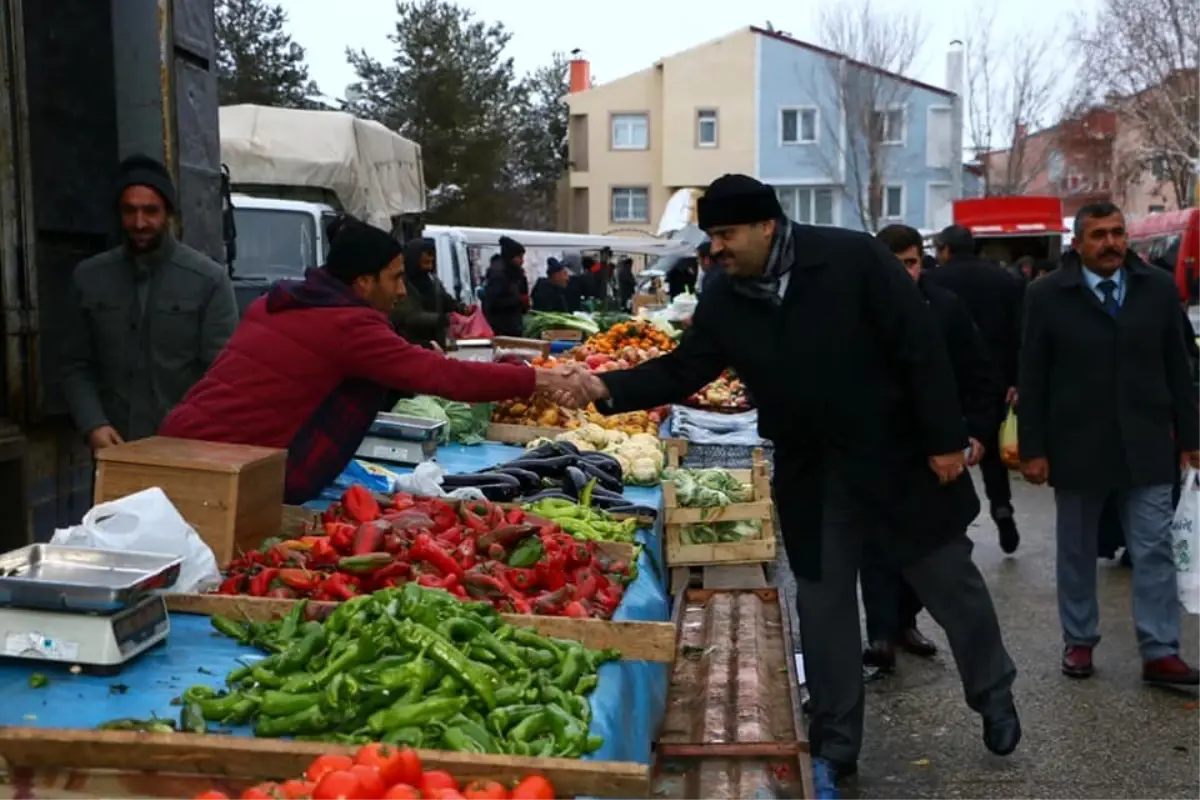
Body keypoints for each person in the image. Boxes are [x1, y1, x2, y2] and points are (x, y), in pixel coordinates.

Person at [561, 174, 1020, 782]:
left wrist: (943, 439)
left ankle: (993, 694)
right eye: (711, 236)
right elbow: (688, 367)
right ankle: (835, 741)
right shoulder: (725, 294)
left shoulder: (852, 258)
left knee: (949, 583)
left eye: (725, 234)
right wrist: (606, 387)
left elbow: (920, 346)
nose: (716, 248)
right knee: (824, 604)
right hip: (814, 475)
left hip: (895, 461)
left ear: (766, 225)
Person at [160, 222, 587, 505]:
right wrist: (540, 378)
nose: (402, 290)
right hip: (222, 470)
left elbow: (310, 373)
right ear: (362, 282)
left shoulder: (280, 300)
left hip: (178, 446)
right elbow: (446, 377)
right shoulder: (347, 324)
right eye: (395, 278)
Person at [1019, 201, 1200, 685]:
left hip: (1146, 444)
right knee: (1077, 550)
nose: (1111, 243)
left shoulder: (1156, 289)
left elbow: (1179, 368)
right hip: (1077, 445)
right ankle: (1079, 640)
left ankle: (1160, 650)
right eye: (1099, 235)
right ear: (1078, 244)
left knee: (1154, 548)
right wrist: (1033, 447)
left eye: (1118, 233)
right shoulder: (1048, 295)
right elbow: (1032, 376)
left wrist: (1191, 436)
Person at [862, 225, 996, 672]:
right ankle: (880, 632)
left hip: (936, 452)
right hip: (878, 453)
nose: (905, 272)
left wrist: (975, 433)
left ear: (923, 262)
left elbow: (977, 374)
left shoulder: (946, 308)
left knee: (930, 545)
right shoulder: (858, 313)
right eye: (895, 264)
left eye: (912, 263)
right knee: (877, 548)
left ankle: (905, 621)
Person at [60, 154, 238, 451]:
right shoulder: (89, 278)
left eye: (150, 211)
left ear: (168, 213)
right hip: (114, 448)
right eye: (129, 211)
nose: (139, 223)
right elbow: (73, 365)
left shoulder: (208, 280)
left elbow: (222, 375)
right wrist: (94, 424)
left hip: (185, 449)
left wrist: (193, 433)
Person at [927, 224, 1025, 554]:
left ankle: (955, 528)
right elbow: (1019, 333)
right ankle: (1001, 506)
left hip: (947, 382)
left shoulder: (935, 283)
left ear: (944, 250)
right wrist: (1015, 379)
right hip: (994, 381)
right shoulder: (1004, 280)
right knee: (992, 451)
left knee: (947, 449)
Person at [390, 237, 466, 351]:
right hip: (412, 344)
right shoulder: (401, 283)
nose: (429, 267)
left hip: (437, 344)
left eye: (431, 262)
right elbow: (408, 316)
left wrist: (462, 309)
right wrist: (440, 319)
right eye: (425, 262)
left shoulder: (432, 280)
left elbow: (445, 300)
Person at [482, 236, 529, 336]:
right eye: (519, 257)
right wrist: (519, 300)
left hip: (513, 326)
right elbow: (494, 302)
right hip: (502, 329)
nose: (522, 261)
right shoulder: (498, 275)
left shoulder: (514, 274)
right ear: (511, 257)